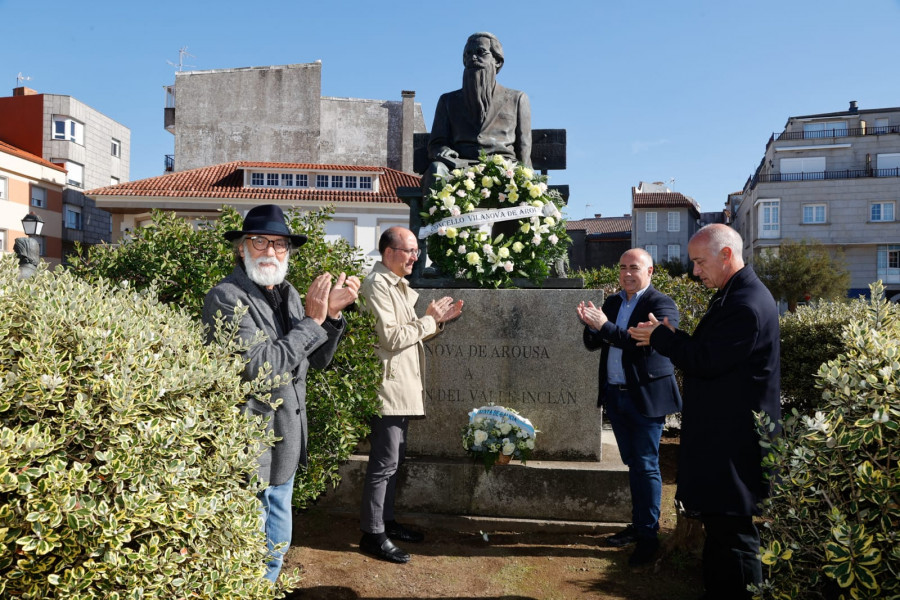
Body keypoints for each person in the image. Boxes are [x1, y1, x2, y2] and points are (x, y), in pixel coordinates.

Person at [202, 204, 360, 582]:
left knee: (277, 544)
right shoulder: (226, 297)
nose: (270, 251)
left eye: (280, 244)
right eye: (260, 241)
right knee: (252, 550)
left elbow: (313, 360)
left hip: (285, 439)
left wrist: (331, 317)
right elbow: (256, 369)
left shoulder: (287, 293)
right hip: (251, 443)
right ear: (241, 248)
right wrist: (312, 321)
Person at [628, 224, 781, 599]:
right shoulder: (735, 294)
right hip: (725, 437)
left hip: (734, 442)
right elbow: (712, 351)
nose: (695, 271)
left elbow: (707, 360)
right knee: (722, 529)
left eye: (700, 262)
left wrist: (662, 338)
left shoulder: (745, 303)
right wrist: (673, 337)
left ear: (726, 255)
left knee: (735, 534)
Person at [358, 226, 463, 563]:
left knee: (393, 461)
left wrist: (434, 321)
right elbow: (391, 337)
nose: (416, 257)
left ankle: (385, 523)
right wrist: (430, 321)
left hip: (399, 386)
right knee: (384, 464)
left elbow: (407, 334)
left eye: (416, 251)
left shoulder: (395, 286)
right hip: (387, 387)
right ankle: (372, 534)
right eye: (410, 251)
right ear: (389, 252)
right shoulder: (376, 285)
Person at [577, 248, 681, 567]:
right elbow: (593, 342)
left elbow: (640, 341)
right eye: (622, 267)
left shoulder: (661, 304)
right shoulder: (612, 302)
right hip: (615, 395)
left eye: (634, 267)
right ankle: (638, 527)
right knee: (633, 463)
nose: (626, 273)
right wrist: (593, 325)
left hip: (645, 397)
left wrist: (605, 327)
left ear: (650, 272)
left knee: (646, 464)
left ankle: (649, 537)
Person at [411, 31, 532, 278]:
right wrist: (444, 153)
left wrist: (527, 178)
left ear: (497, 61)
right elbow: (435, 144)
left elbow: (524, 148)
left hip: (502, 169)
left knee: (522, 183)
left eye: (480, 53)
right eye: (467, 54)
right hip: (459, 168)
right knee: (435, 171)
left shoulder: (517, 98)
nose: (473, 58)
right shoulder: (448, 101)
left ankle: (510, 259)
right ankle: (441, 258)